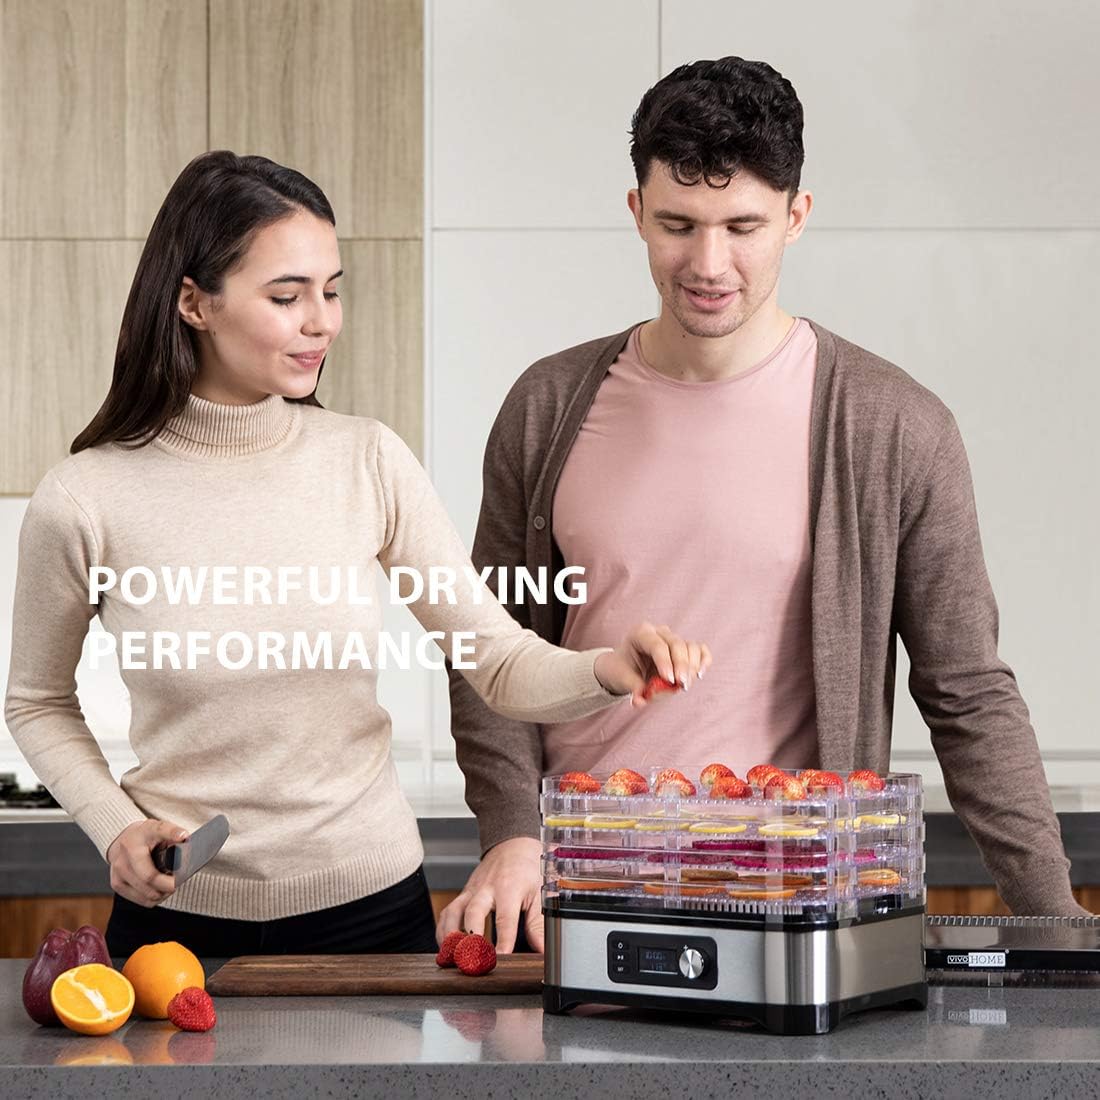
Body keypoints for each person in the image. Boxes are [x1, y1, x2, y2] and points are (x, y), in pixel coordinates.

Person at [442, 55, 1087, 951]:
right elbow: (486, 646)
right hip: (575, 900)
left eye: (743, 225)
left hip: (793, 909)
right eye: (678, 224)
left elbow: (967, 692)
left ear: (797, 217)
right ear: (636, 214)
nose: (709, 264)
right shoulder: (549, 407)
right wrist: (513, 831)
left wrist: (1056, 923)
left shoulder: (894, 428)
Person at [3, 150, 709, 959]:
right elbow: (37, 703)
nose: (322, 321)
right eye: (287, 295)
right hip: (178, 924)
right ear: (194, 302)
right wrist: (116, 825)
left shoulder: (365, 459)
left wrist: (607, 671)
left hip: (373, 916)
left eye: (331, 290)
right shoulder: (87, 497)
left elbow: (497, 660)